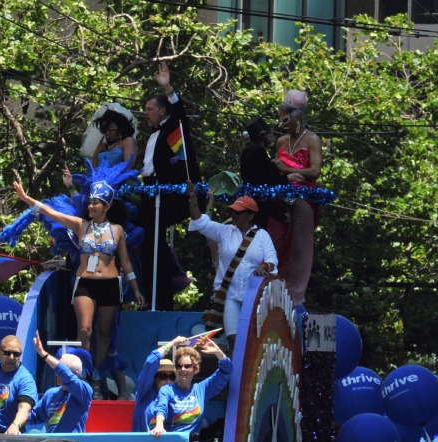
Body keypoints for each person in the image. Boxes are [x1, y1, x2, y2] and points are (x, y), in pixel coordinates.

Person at [12, 169, 144, 380]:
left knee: (104, 334)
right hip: (85, 283)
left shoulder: (118, 230)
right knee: (85, 330)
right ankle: (82, 375)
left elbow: (126, 261)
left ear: (107, 206)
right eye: (90, 202)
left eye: (96, 202)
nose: (91, 205)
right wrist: (27, 199)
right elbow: (51, 212)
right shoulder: (81, 225)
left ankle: (98, 379)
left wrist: (136, 289)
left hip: (110, 285)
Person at [135, 62, 203, 311]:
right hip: (149, 189)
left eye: (150, 109)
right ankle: (148, 294)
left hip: (166, 193)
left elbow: (181, 114)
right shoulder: (152, 135)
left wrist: (168, 88)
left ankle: (162, 295)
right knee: (145, 241)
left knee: (155, 244)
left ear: (163, 111)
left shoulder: (174, 127)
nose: (146, 113)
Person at [186, 187, 277, 339]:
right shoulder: (224, 231)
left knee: (251, 341)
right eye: (233, 211)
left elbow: (272, 259)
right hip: (230, 295)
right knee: (233, 338)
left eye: (239, 212)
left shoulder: (262, 235)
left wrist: (264, 266)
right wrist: (193, 199)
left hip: (254, 296)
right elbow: (200, 222)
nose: (234, 215)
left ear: (251, 215)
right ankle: (233, 364)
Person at [272, 89, 323, 306]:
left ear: (297, 116)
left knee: (301, 246)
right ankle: (274, 286)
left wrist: (288, 169)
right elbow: (274, 168)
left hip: (304, 197)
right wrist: (280, 172)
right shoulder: (281, 141)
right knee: (275, 242)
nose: (281, 122)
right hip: (281, 198)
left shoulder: (312, 139)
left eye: (285, 117)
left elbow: (315, 170)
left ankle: (295, 295)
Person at [146, 341, 233, 439]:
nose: (183, 369)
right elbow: (161, 408)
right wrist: (159, 425)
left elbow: (227, 370)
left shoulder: (202, 389)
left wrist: (218, 352)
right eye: (179, 366)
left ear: (195, 369)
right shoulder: (167, 389)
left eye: (187, 366)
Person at [24, 337, 93, 434]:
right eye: (56, 371)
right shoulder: (50, 393)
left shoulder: (84, 390)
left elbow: (67, 376)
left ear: (76, 373)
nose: (58, 374)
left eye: (60, 371)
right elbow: (34, 417)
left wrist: (43, 353)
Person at [132, 338, 183, 433]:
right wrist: (172, 343)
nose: (168, 380)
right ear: (154, 378)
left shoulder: (175, 399)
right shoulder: (145, 394)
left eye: (171, 377)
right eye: (163, 376)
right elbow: (150, 362)